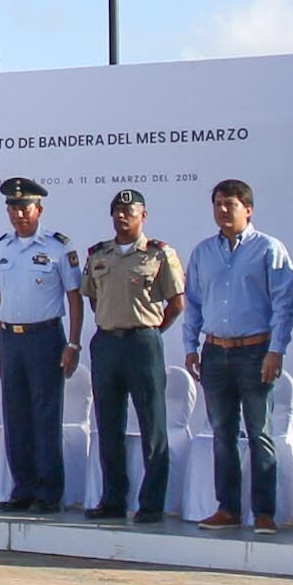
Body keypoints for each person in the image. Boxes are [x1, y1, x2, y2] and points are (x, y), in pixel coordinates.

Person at [183, 179, 293, 531]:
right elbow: (193, 304)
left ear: (248, 209)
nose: (222, 210)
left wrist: (276, 351)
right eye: (217, 203)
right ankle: (228, 509)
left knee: (259, 432)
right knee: (222, 433)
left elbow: (283, 306)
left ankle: (263, 512)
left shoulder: (269, 249)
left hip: (255, 350)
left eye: (230, 204)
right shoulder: (203, 252)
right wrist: (190, 347)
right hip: (215, 351)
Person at [81, 189, 183, 524]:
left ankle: (151, 504)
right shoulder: (99, 254)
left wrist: (150, 330)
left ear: (144, 215)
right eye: (117, 211)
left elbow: (176, 303)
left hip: (143, 343)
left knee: (152, 427)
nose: (122, 216)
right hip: (107, 342)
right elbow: (93, 299)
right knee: (108, 426)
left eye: (130, 210)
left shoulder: (159, 254)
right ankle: (112, 500)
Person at [0, 178, 83, 513]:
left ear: (38, 209)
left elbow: (74, 298)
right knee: (15, 416)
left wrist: (73, 342)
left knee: (45, 414)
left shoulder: (58, 247)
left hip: (45, 338)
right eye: (12, 208)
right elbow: (1, 298)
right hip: (12, 337)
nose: (18, 214)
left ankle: (48, 491)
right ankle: (22, 487)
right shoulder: (2, 247)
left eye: (24, 207)